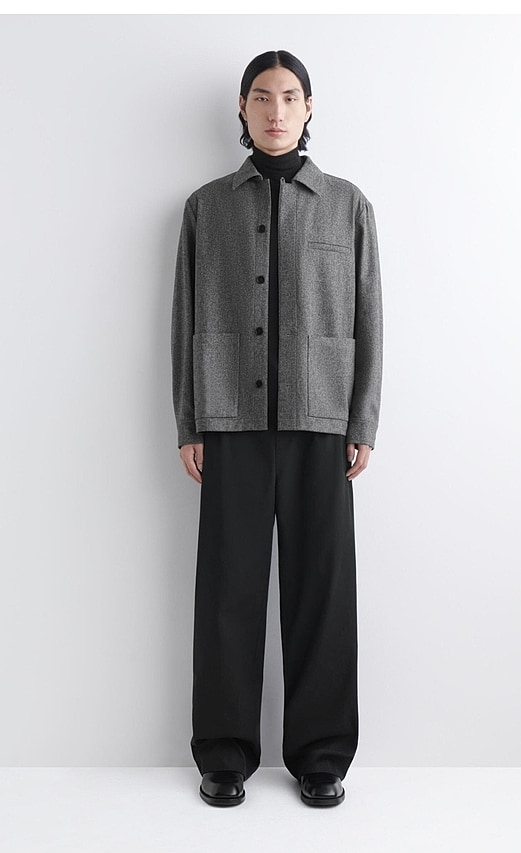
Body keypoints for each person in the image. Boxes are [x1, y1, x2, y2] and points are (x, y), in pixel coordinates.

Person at [171, 49, 383, 808]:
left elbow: (369, 318)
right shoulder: (207, 207)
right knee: (227, 592)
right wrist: (190, 420)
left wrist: (362, 418)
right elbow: (185, 318)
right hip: (228, 417)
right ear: (242, 107)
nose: (275, 110)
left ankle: (321, 757)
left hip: (322, 422)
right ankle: (224, 754)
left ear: (309, 108)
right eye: (261, 97)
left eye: (289, 97)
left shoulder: (347, 205)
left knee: (322, 589)